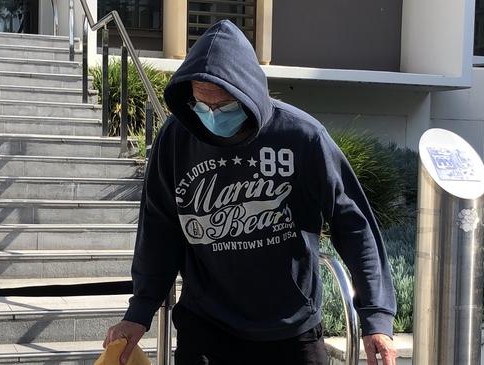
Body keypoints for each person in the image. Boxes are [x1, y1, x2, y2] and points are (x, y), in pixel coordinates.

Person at [102, 19, 397, 365]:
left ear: (248, 93)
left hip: (291, 330)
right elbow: (159, 227)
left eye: (223, 105)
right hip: (207, 328)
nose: (211, 115)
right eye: (202, 103)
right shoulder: (177, 138)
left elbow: (354, 223)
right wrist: (140, 311)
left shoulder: (302, 137)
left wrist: (376, 317)